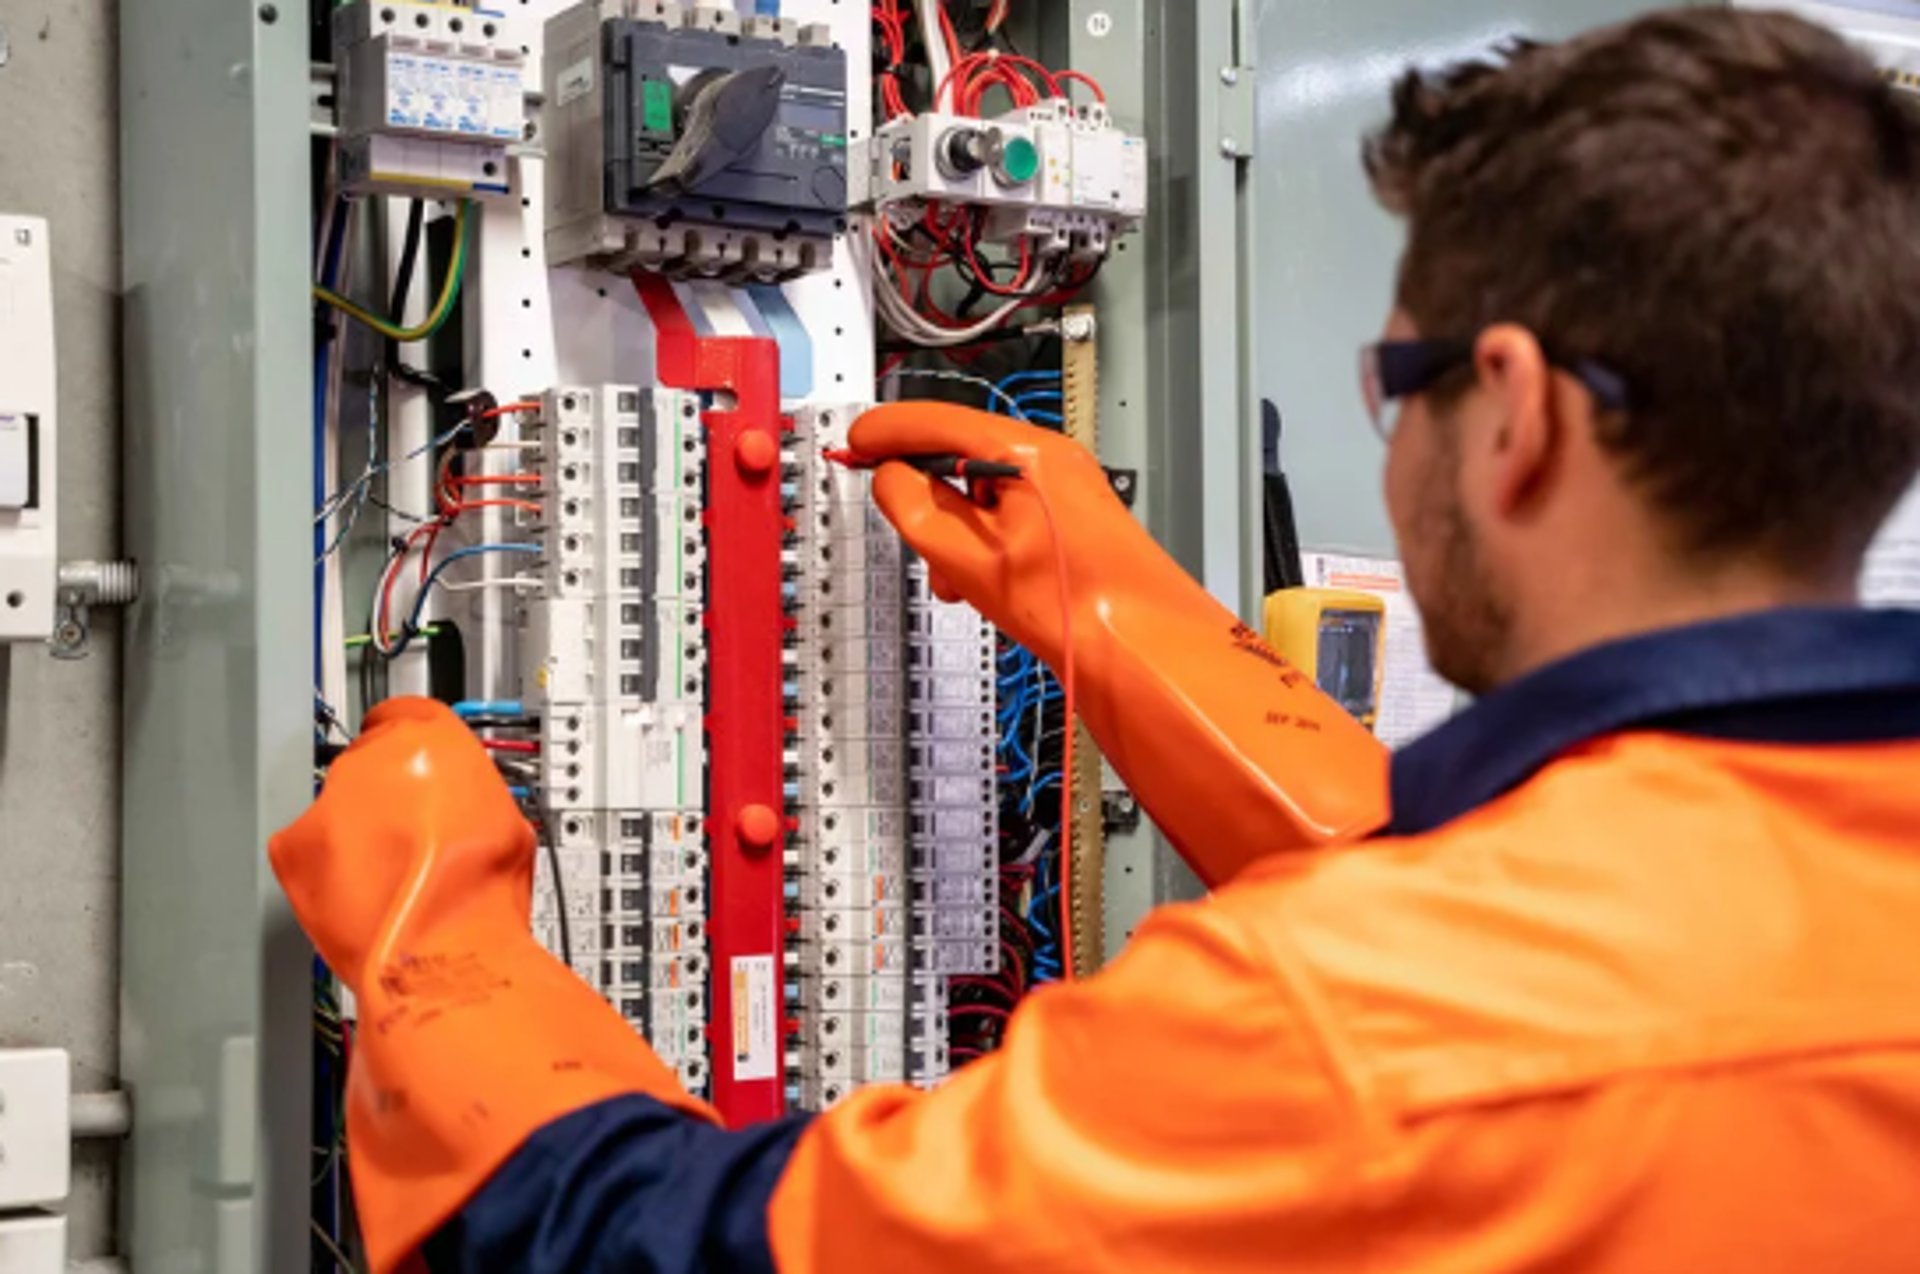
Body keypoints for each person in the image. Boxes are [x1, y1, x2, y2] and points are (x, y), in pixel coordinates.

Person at [274, 9, 1920, 1273]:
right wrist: (1130, 624)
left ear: (1521, 419)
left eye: (1395, 385)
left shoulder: (1335, 1034)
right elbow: (1614, 912)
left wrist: (443, 952)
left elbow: (677, 1244)